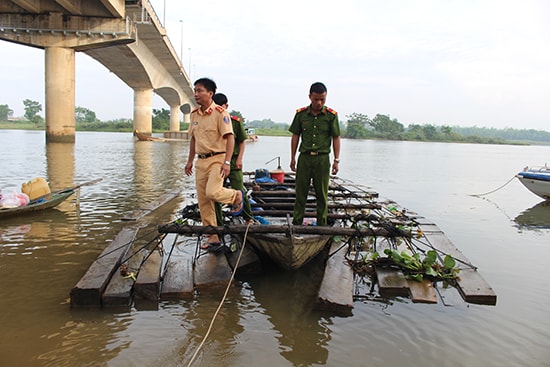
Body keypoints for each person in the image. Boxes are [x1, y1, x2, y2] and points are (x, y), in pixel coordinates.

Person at [185, 77, 244, 249]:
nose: (196, 94)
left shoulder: (220, 113)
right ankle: (213, 235)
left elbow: (230, 138)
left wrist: (227, 162)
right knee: (204, 201)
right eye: (195, 90)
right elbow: (193, 140)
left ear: (210, 93)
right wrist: (189, 161)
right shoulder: (195, 115)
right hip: (201, 161)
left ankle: (236, 196)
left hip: (217, 159)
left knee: (212, 192)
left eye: (200, 90)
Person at [289, 82, 341, 226]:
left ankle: (322, 225)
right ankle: (297, 223)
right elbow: (295, 136)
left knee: (322, 195)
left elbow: (336, 137)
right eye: (316, 99)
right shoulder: (301, 114)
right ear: (310, 97)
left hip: (322, 159)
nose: (319, 103)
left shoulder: (331, 116)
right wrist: (292, 158)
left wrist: (336, 160)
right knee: (300, 193)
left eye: (322, 99)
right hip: (304, 158)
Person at [212, 93, 254, 225]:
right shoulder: (211, 122)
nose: (219, 110)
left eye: (221, 107)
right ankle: (218, 223)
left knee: (239, 189)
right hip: (217, 161)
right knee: (217, 193)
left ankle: (248, 218)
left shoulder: (234, 122)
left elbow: (241, 142)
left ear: (226, 106)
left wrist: (240, 159)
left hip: (234, 162)